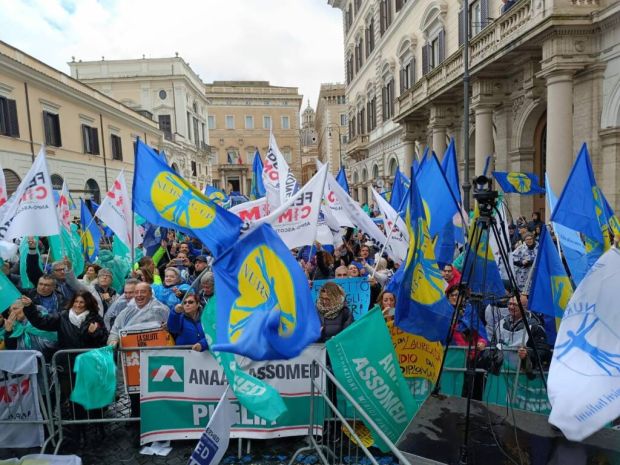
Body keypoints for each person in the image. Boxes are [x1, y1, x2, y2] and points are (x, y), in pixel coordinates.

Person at [23, 290, 108, 350]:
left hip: (87, 363)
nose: (78, 305)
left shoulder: (95, 318)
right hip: (67, 363)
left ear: (88, 303)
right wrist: (29, 307)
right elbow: (41, 321)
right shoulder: (62, 317)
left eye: (82, 302)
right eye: (76, 302)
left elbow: (104, 340)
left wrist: (94, 333)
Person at [493, 295, 551, 375]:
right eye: (509, 304)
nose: (511, 307)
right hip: (503, 374)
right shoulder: (501, 323)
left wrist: (527, 354)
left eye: (515, 305)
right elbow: (493, 344)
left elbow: (543, 351)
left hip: (524, 376)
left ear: (525, 307)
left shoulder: (535, 327)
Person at [107, 283, 170, 347]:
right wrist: (113, 341)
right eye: (136, 292)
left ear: (150, 294)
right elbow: (115, 331)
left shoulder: (161, 310)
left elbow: (173, 330)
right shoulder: (126, 312)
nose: (139, 295)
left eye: (143, 292)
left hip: (156, 352)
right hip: (131, 353)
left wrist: (169, 327)